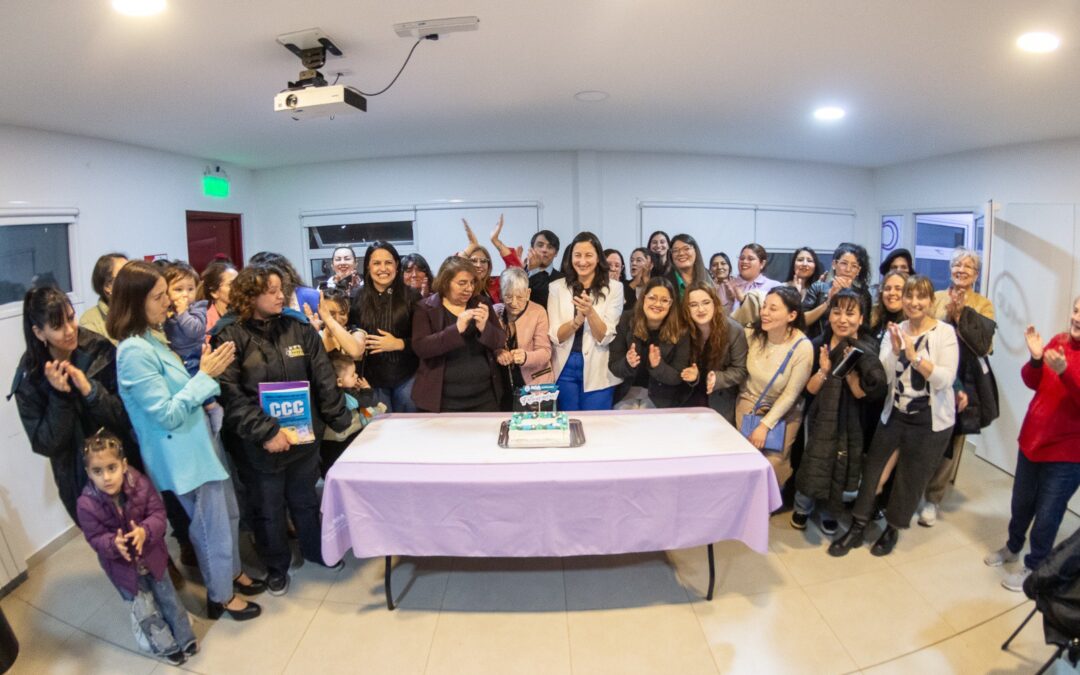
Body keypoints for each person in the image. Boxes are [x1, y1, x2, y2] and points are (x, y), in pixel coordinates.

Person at [110, 261, 262, 620]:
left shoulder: (153, 338)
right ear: (135, 302)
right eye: (159, 296)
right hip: (180, 452)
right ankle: (220, 595)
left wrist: (206, 373)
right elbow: (165, 413)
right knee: (210, 528)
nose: (169, 302)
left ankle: (232, 572)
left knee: (228, 513)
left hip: (199, 440)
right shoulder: (132, 351)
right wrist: (205, 375)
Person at [211, 263, 352, 595]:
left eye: (281, 289)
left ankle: (316, 551)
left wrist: (338, 419)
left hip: (304, 439)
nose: (280, 296)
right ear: (249, 296)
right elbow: (230, 394)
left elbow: (323, 376)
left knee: (305, 501)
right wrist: (266, 432)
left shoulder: (297, 326)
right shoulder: (228, 334)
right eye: (270, 291)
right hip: (258, 445)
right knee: (268, 510)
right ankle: (276, 568)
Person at [829, 275, 959, 558]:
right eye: (909, 296)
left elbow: (945, 379)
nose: (914, 302)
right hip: (896, 414)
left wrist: (915, 357)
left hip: (930, 421)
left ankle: (893, 528)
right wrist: (897, 352)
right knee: (874, 471)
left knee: (911, 478)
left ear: (930, 301)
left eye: (921, 297)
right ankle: (858, 526)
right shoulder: (895, 330)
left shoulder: (944, 333)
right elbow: (885, 376)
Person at [11, 287, 137, 523]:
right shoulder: (30, 378)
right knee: (107, 540)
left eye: (71, 318)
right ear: (39, 333)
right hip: (79, 480)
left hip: (124, 464)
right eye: (58, 326)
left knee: (147, 529)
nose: (70, 330)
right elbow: (46, 444)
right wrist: (60, 397)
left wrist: (91, 392)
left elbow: (126, 415)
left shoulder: (98, 349)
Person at [984, 297, 1080, 591]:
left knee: (1048, 514)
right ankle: (1013, 547)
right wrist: (1037, 359)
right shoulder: (1059, 341)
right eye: (1077, 310)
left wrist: (1065, 372)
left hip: (1066, 455)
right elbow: (1031, 380)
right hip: (1032, 442)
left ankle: (1035, 567)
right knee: (1021, 502)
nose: (1077, 318)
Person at [76, 431, 195, 665]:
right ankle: (165, 644)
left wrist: (145, 531)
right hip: (123, 569)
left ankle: (185, 636)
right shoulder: (86, 504)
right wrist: (112, 544)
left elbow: (158, 514)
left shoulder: (140, 483)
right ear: (88, 473)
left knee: (169, 599)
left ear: (123, 465)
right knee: (145, 609)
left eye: (111, 468)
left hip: (154, 559)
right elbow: (94, 537)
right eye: (97, 471)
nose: (106, 477)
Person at [791, 289, 887, 535]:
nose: (842, 319)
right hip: (818, 416)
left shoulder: (868, 350)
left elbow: (865, 393)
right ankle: (802, 506)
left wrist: (852, 375)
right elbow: (808, 391)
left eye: (850, 313)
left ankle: (829, 510)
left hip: (851, 420)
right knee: (813, 457)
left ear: (861, 318)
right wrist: (824, 371)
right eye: (837, 312)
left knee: (839, 463)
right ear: (829, 316)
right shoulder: (816, 345)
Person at [919, 247, 998, 527]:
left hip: (965, 380)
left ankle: (933, 498)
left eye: (968, 267)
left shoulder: (983, 304)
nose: (961, 270)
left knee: (951, 440)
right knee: (923, 432)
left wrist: (962, 315)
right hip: (931, 374)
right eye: (957, 265)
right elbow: (925, 333)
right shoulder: (937, 298)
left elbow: (984, 346)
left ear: (976, 274)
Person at [736, 286, 813, 488]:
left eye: (773, 308)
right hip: (750, 400)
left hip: (785, 409)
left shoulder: (802, 347)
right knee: (748, 458)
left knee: (774, 464)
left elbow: (790, 395)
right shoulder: (752, 333)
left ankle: (769, 501)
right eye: (764, 307)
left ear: (792, 315)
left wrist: (764, 426)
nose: (765, 313)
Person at [411, 256, 507, 412]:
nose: (469, 288)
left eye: (472, 283)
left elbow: (500, 340)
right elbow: (421, 348)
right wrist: (456, 330)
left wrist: (484, 327)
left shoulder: (481, 303)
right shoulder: (425, 308)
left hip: (484, 398)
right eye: (462, 283)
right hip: (443, 401)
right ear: (445, 282)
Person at [548, 232, 625, 411]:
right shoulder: (556, 287)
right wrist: (576, 322)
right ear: (570, 257)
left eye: (588, 255)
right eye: (577, 255)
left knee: (597, 423)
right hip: (564, 366)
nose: (582, 261)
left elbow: (605, 337)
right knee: (568, 421)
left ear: (598, 258)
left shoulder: (614, 288)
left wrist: (590, 312)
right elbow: (555, 336)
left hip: (599, 367)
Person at [347, 241, 421, 412]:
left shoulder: (412, 297)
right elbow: (350, 332)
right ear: (368, 266)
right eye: (376, 263)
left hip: (407, 376)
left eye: (388, 262)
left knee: (411, 425)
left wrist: (399, 344)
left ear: (397, 265)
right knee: (379, 425)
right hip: (371, 379)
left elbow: (424, 340)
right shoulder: (356, 297)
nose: (383, 268)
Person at [608, 277, 690, 409]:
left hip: (662, 398)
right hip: (626, 393)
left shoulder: (681, 330)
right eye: (652, 298)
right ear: (644, 298)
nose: (657, 304)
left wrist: (658, 366)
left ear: (671, 304)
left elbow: (678, 376)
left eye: (664, 300)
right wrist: (628, 363)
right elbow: (614, 366)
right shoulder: (626, 320)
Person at [682, 281, 748, 423]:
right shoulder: (683, 329)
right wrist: (692, 375)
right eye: (693, 305)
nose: (700, 309)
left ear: (715, 303)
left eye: (706, 302)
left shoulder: (734, 330)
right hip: (689, 395)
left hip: (720, 397)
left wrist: (718, 378)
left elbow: (740, 370)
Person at [493, 267, 554, 404]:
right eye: (508, 296)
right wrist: (498, 352)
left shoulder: (538, 312)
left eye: (520, 297)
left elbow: (545, 352)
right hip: (504, 385)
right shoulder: (496, 312)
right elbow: (489, 344)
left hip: (535, 385)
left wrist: (526, 357)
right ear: (501, 294)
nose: (514, 303)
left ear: (528, 293)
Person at [320, 352, 383, 476]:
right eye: (352, 375)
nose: (356, 376)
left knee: (328, 458)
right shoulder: (347, 394)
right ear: (339, 381)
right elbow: (366, 402)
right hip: (343, 436)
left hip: (326, 438)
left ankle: (327, 474)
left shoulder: (326, 392)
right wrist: (367, 389)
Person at [802, 242, 872, 339]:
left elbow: (865, 327)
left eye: (854, 266)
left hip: (852, 343)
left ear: (858, 271)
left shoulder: (863, 294)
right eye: (844, 263)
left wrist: (849, 293)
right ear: (834, 264)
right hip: (819, 342)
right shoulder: (818, 287)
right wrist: (828, 302)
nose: (848, 269)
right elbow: (802, 321)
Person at [461, 215, 524, 304]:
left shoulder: (494, 285)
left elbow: (516, 272)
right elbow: (452, 267)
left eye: (483, 261)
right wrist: (472, 244)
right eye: (473, 261)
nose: (478, 265)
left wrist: (495, 240)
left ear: (489, 265)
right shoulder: (459, 285)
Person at [162, 261, 208, 377]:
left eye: (190, 289)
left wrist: (183, 312)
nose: (185, 294)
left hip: (193, 358)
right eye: (179, 289)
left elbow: (195, 331)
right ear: (166, 291)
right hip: (174, 358)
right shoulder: (167, 310)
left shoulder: (198, 307)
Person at [81, 253, 128, 344]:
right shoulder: (90, 321)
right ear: (108, 286)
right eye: (125, 275)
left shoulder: (143, 309)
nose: (133, 280)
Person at [309, 287, 366, 360]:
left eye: (342, 313)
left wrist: (329, 319)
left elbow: (356, 351)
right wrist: (311, 332)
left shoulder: (356, 332)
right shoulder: (317, 333)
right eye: (331, 313)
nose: (337, 319)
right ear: (320, 311)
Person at [730, 243, 781, 323]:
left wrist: (744, 300)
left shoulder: (774, 286)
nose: (744, 261)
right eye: (742, 258)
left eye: (750, 259)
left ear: (762, 263)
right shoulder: (729, 285)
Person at [197, 260, 238, 340]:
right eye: (232, 284)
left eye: (240, 282)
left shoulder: (248, 314)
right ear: (214, 292)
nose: (239, 287)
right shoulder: (204, 323)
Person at [525, 230, 563, 310]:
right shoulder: (520, 273)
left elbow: (545, 303)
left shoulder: (562, 279)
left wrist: (535, 270)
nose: (544, 250)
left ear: (556, 253)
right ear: (532, 248)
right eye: (540, 245)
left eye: (550, 247)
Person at [666, 234, 712, 299]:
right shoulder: (666, 281)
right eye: (675, 250)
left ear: (695, 251)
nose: (681, 253)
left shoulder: (706, 276)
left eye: (686, 248)